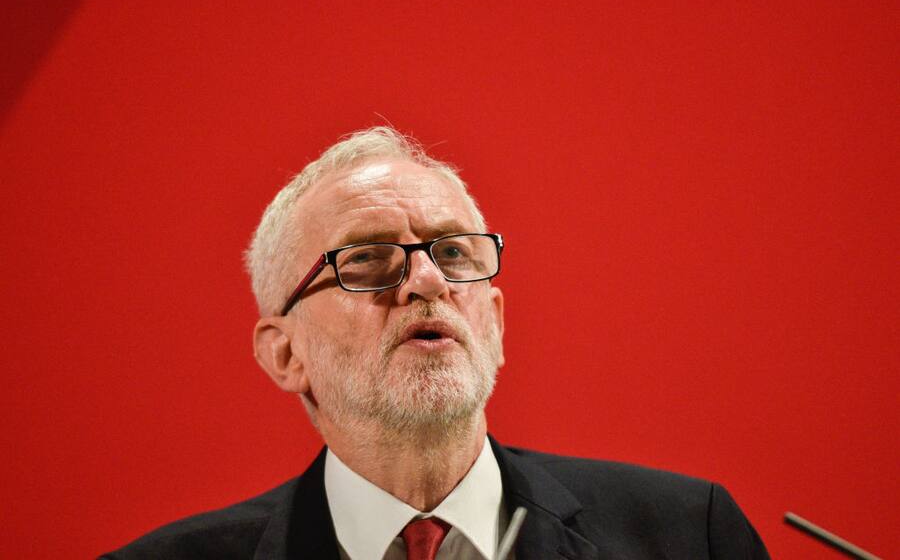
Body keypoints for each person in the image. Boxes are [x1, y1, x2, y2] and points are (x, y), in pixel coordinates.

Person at [102, 126, 769, 559]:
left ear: (495, 325)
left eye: (452, 252)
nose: (426, 281)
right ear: (285, 353)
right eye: (367, 260)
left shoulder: (689, 536)